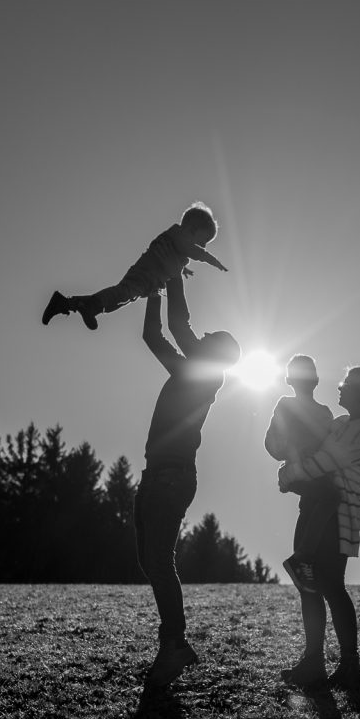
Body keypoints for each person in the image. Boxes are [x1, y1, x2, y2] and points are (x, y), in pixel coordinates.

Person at [135, 273, 240, 687]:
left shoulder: (204, 374)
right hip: (158, 475)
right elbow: (152, 334)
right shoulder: (188, 370)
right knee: (151, 561)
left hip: (171, 478)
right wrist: (153, 293)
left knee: (159, 562)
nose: (200, 335)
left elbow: (176, 328)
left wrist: (172, 274)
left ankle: (175, 644)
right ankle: (175, 644)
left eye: (208, 336)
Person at [276, 366, 360, 690]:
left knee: (331, 586)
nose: (339, 388)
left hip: (338, 513)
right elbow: (315, 459)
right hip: (316, 508)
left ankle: (348, 664)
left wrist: (287, 476)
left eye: (347, 384)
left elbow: (323, 462)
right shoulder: (342, 424)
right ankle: (314, 662)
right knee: (309, 584)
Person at [41, 202, 227, 331]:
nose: (202, 247)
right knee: (121, 293)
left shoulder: (179, 246)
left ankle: (70, 303)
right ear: (191, 229)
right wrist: (211, 260)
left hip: (148, 281)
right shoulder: (177, 233)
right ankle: (83, 305)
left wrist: (183, 269)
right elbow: (188, 249)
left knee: (118, 300)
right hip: (145, 273)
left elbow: (177, 256)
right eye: (203, 242)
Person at [264, 354, 340, 592]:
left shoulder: (325, 412)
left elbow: (330, 447)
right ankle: (302, 558)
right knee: (332, 496)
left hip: (314, 478)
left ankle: (304, 563)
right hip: (300, 473)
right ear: (290, 381)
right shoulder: (286, 405)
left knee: (316, 504)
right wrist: (294, 455)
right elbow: (272, 444)